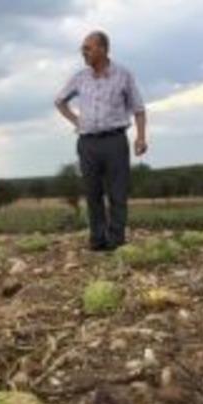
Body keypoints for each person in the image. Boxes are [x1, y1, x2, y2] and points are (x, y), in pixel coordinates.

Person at [55, 31, 148, 252]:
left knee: (118, 192)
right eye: (82, 49)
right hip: (87, 143)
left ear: (103, 49)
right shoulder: (80, 77)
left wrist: (141, 137)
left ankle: (116, 241)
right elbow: (59, 101)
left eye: (87, 48)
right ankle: (97, 239)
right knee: (92, 192)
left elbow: (138, 109)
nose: (83, 53)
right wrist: (76, 120)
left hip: (114, 140)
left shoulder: (123, 75)